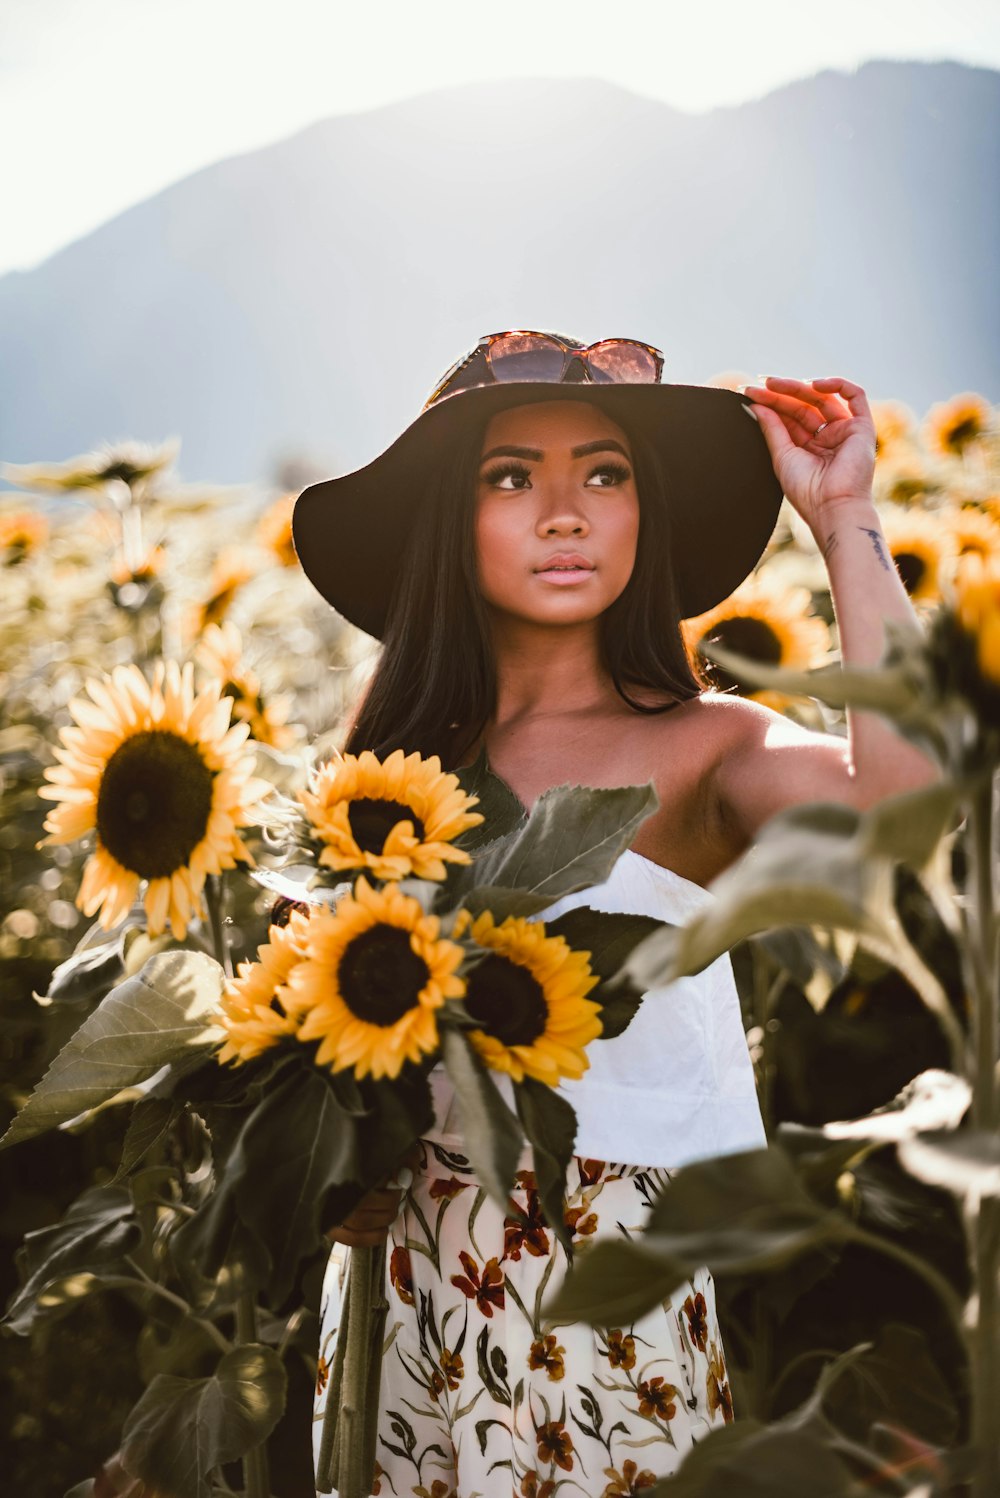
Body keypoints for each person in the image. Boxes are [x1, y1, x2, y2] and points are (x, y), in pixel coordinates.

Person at [290, 330, 939, 1496]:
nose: (563, 512)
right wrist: (329, 1158)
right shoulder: (388, 767)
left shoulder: (705, 746)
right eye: (509, 476)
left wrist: (845, 519)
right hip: (398, 1295)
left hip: (599, 1301)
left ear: (647, 512)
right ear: (452, 516)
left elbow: (904, 805)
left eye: (604, 472)